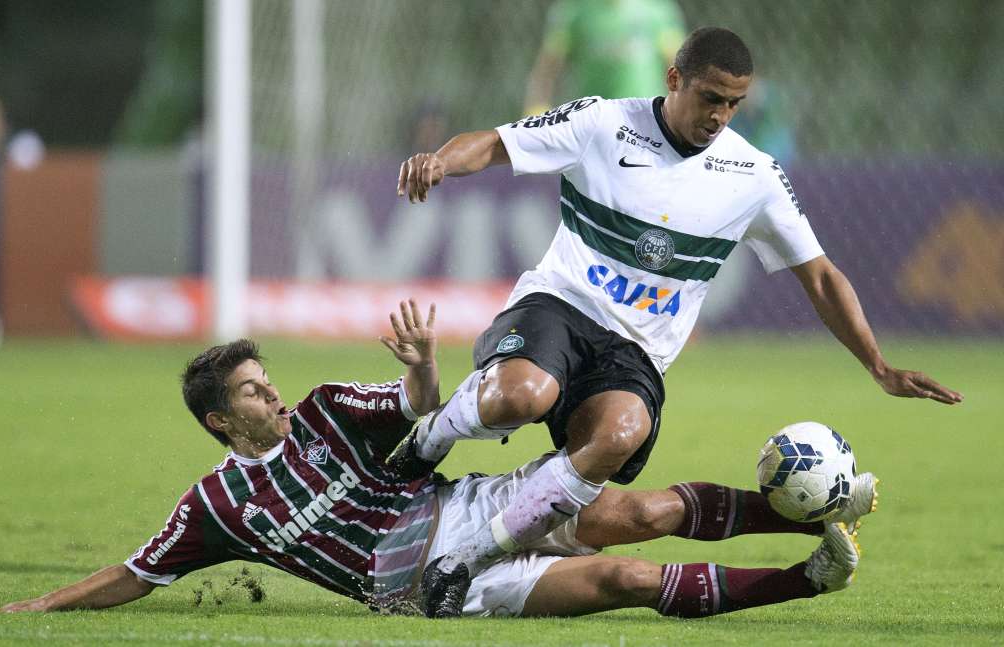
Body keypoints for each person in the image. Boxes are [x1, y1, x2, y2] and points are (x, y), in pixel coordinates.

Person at [391, 26, 962, 617]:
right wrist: (440, 162)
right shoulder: (603, 121)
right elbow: (494, 142)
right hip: (559, 306)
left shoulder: (754, 174)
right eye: (710, 98)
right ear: (674, 80)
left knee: (615, 439)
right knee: (519, 396)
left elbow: (819, 276)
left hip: (635, 352)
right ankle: (423, 447)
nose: (720, 115)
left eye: (734, 103)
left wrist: (878, 365)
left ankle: (467, 559)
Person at [0, 299, 878, 619]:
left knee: (639, 509)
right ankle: (810, 578)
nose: (271, 395)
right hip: (440, 586)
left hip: (470, 510)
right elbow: (138, 572)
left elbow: (422, 412)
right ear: (220, 423)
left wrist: (420, 364)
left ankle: (818, 510)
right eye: (252, 394)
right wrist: (39, 604)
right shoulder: (217, 508)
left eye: (267, 381)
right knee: (627, 580)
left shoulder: (330, 409)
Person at [523, 0, 687, 116]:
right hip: (592, 119)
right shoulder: (573, 11)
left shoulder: (659, 10)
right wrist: (537, 110)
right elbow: (547, 70)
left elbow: (680, 69)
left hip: (645, 117)